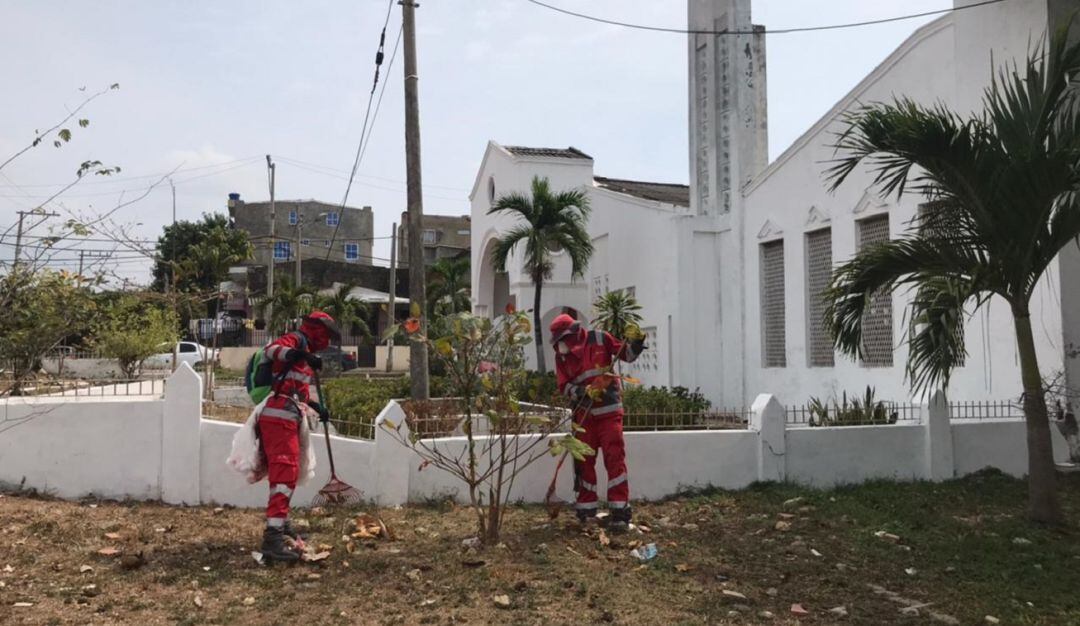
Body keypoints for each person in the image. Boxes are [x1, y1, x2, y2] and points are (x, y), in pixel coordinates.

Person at [258, 310, 340, 562]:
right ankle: (272, 538)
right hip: (278, 415)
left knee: (289, 475)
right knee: (285, 473)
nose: (327, 340)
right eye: (327, 334)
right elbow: (271, 350)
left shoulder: (306, 354)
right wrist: (301, 354)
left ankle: (281, 525)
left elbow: (299, 392)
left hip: (290, 414)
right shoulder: (295, 339)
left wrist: (318, 408)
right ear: (317, 328)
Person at [550, 314, 645, 531]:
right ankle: (586, 510)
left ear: (572, 334)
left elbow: (627, 355)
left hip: (609, 412)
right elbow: (563, 385)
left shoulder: (601, 338)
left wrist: (637, 341)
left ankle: (620, 511)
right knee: (584, 463)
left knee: (614, 459)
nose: (560, 345)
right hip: (584, 416)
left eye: (562, 340)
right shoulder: (561, 356)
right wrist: (582, 391)